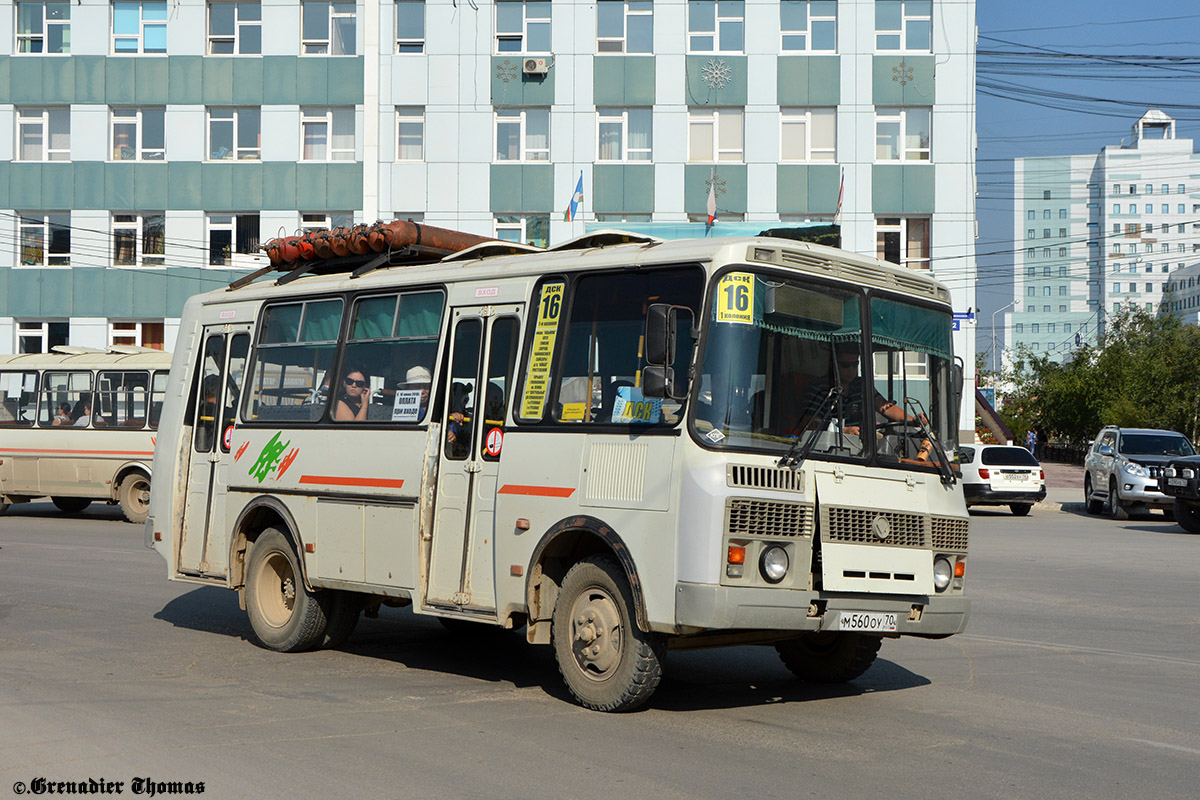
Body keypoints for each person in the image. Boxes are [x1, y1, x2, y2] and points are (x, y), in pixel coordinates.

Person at [795, 343, 926, 444]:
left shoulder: (861, 385)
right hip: (834, 448)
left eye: (855, 365)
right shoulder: (819, 388)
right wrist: (843, 430)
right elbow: (811, 423)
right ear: (832, 364)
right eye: (846, 365)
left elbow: (884, 406)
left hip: (864, 449)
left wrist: (912, 420)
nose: (851, 370)